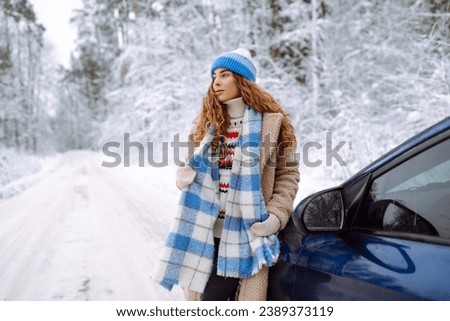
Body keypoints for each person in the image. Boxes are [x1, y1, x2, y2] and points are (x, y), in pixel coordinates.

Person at [153, 48, 299, 301]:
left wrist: (276, 215)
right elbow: (187, 163)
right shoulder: (207, 123)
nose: (216, 82)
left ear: (242, 80)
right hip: (204, 230)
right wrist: (183, 175)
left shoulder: (271, 124)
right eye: (214, 76)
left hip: (245, 233)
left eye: (224, 75)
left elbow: (288, 176)